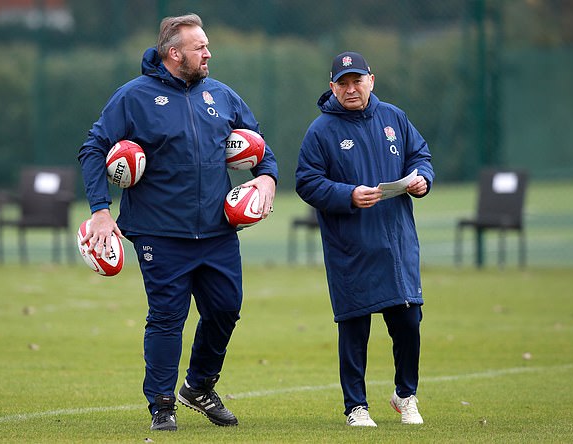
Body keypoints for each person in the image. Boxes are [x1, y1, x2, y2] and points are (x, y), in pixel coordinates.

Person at [78, 13, 278, 432]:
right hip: (158, 231)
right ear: (174, 53)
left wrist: (267, 179)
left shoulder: (221, 95)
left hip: (218, 230)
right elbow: (94, 148)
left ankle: (200, 387)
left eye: (206, 45)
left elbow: (260, 147)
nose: (208, 53)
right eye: (199, 47)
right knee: (168, 317)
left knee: (225, 309)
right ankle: (162, 404)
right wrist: (100, 209)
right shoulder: (133, 97)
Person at [295, 51, 434, 427]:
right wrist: (348, 195)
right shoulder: (320, 131)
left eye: (357, 80)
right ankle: (356, 406)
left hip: (397, 242)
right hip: (351, 247)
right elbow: (306, 182)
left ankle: (405, 395)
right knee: (354, 327)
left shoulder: (394, 118)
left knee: (409, 322)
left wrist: (421, 179)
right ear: (332, 87)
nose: (351, 88)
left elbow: (420, 155)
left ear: (372, 79)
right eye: (343, 82)